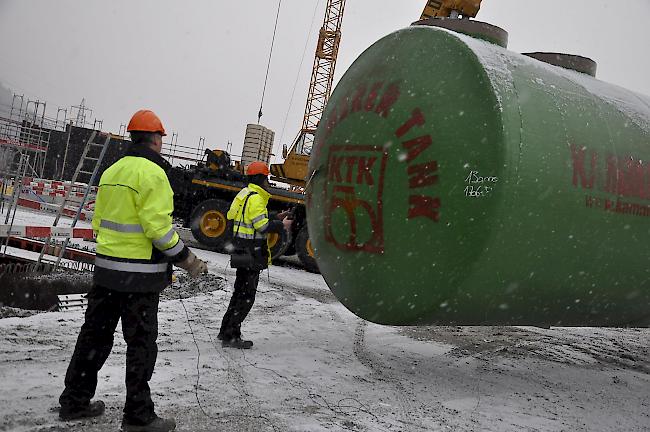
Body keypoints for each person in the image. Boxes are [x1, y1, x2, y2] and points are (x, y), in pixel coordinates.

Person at [58, 109, 207, 432]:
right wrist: (189, 261)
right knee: (140, 345)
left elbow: (98, 224)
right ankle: (138, 415)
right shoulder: (154, 175)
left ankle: (74, 400)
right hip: (139, 280)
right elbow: (159, 231)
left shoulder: (112, 171)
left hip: (106, 274)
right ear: (156, 139)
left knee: (94, 337)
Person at [218, 161, 292, 349]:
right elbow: (262, 226)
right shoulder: (257, 198)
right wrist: (281, 226)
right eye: (267, 178)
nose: (268, 182)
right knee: (246, 297)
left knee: (238, 293)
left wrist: (276, 217)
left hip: (240, 250)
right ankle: (231, 336)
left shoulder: (244, 194)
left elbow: (240, 217)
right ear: (262, 179)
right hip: (252, 253)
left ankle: (225, 330)